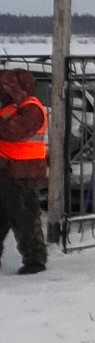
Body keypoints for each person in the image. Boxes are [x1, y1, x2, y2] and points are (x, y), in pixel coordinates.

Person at [0, 67, 49, 274]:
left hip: (22, 174)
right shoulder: (12, 107)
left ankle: (34, 260)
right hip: (6, 171)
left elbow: (11, 132)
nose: (5, 88)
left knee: (25, 218)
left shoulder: (32, 109)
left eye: (8, 85)